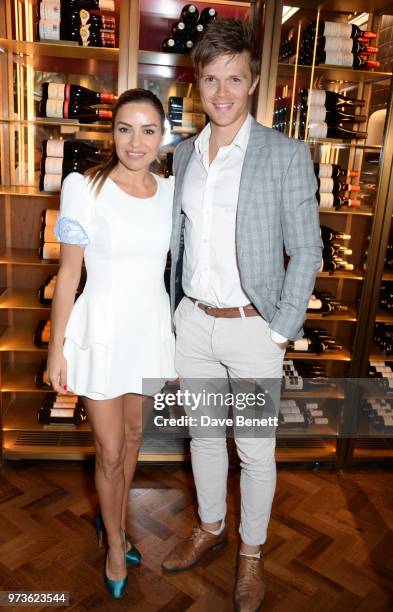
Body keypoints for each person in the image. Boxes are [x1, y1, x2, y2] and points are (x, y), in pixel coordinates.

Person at [162, 19, 323, 611]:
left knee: (254, 450)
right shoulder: (182, 157)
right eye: (211, 79)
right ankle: (210, 527)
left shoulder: (284, 155)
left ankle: (251, 554)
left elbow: (307, 249)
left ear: (253, 82)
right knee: (204, 436)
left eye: (234, 78)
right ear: (197, 85)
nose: (222, 91)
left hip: (256, 327)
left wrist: (280, 330)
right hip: (196, 325)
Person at [47, 89, 176, 599]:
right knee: (110, 451)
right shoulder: (85, 187)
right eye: (125, 128)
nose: (136, 141)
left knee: (136, 442)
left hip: (147, 330)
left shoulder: (170, 191)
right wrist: (57, 348)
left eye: (148, 130)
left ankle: (113, 519)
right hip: (100, 331)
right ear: (112, 132)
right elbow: (69, 271)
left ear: (161, 136)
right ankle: (116, 542)